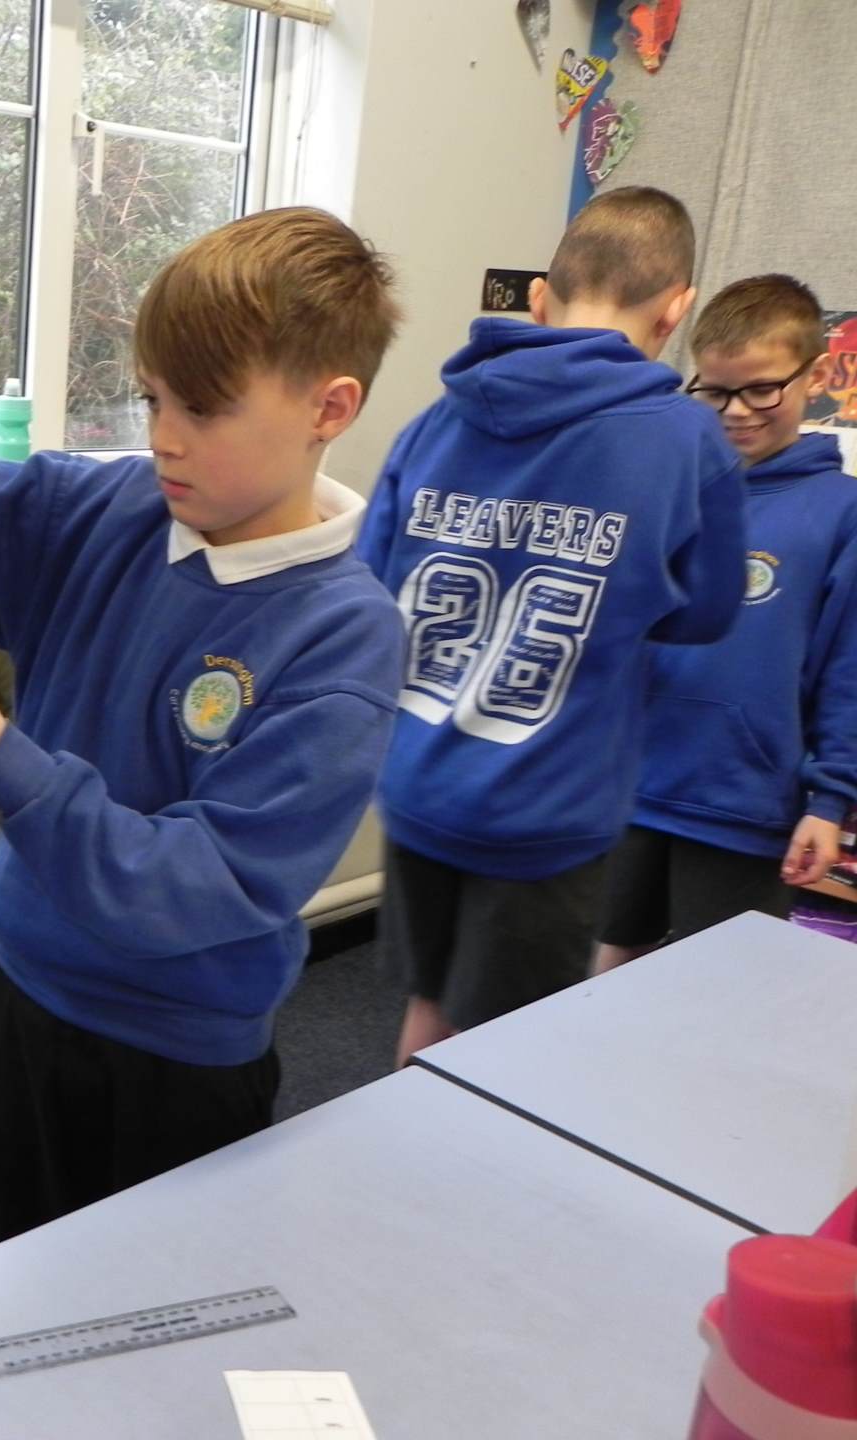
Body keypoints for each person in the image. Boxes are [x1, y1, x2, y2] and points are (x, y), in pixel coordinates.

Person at [0, 207, 407, 1243]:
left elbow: (203, 884)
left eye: (206, 407)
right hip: (26, 985)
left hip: (176, 1052)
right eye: (153, 398)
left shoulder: (343, 639)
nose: (165, 437)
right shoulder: (113, 510)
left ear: (330, 407)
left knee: (154, 1309)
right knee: (21, 1268)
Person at [356, 186, 744, 1062]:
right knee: (504, 1054)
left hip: (417, 781)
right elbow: (708, 612)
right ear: (676, 311)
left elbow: (373, 585)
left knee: (427, 1007)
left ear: (539, 299)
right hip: (548, 803)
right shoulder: (686, 442)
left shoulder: (435, 420)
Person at [597, 274, 857, 966]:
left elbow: (848, 671)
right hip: (631, 785)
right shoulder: (670, 492)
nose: (736, 411)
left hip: (742, 800)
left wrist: (829, 802)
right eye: (714, 392)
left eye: (761, 389)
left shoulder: (841, 513)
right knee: (606, 968)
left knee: (720, 985)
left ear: (816, 376)